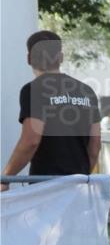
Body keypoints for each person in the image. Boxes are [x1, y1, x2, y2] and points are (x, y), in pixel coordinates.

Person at [2, 31, 101, 192]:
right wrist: (80, 178)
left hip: (45, 190)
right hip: (78, 189)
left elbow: (31, 140)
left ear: (29, 58)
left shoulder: (34, 89)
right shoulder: (86, 91)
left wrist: (5, 178)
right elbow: (95, 146)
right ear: (61, 57)